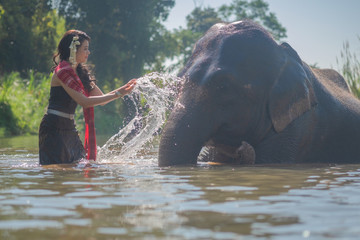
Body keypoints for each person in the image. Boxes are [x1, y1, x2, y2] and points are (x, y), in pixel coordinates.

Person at [39, 30, 136, 165]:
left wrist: (122, 89)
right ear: (73, 50)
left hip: (69, 127)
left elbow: (101, 99)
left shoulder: (80, 72)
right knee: (59, 168)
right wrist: (119, 94)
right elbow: (84, 102)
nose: (88, 52)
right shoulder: (63, 71)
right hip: (54, 127)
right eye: (85, 49)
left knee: (79, 165)